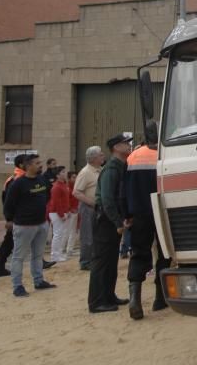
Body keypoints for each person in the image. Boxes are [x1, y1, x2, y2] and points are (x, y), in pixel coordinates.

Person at [125, 122, 170, 319]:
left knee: (139, 254)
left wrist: (127, 214)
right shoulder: (164, 153)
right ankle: (161, 299)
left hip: (140, 213)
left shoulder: (133, 156)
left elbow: (124, 190)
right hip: (162, 212)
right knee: (164, 254)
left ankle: (134, 297)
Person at [87, 133, 132, 313]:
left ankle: (109, 295)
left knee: (111, 261)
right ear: (115, 148)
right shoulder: (112, 168)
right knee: (102, 262)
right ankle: (97, 302)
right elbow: (107, 200)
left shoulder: (121, 166)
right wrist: (118, 222)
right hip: (105, 220)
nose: (128, 146)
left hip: (112, 220)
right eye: (124, 144)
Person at [3, 153, 56, 296]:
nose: (40, 165)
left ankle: (38, 281)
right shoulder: (18, 183)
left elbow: (47, 195)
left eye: (40, 162)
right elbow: (9, 204)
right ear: (28, 166)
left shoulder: (42, 180)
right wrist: (9, 219)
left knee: (38, 255)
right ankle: (17, 286)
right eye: (37, 163)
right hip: (24, 225)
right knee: (18, 257)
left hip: (41, 223)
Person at [73, 146, 104, 271]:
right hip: (88, 207)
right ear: (94, 158)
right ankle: (85, 261)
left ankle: (94, 258)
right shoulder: (85, 172)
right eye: (100, 155)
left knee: (97, 234)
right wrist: (92, 203)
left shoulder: (100, 170)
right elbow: (76, 192)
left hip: (98, 207)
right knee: (87, 235)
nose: (103, 156)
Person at [47, 168, 72, 262]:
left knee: (61, 234)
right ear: (57, 175)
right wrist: (61, 214)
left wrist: (68, 210)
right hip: (55, 212)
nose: (65, 173)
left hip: (62, 212)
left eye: (65, 171)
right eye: (63, 172)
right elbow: (56, 202)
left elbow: (66, 200)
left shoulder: (64, 185)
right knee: (57, 234)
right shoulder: (56, 187)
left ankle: (59, 253)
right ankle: (54, 255)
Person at [65, 172, 79, 259]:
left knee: (73, 231)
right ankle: (67, 249)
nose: (75, 179)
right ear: (69, 178)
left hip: (76, 210)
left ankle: (70, 249)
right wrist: (70, 209)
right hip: (71, 212)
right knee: (70, 231)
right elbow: (66, 201)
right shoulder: (68, 188)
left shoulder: (76, 187)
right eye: (73, 177)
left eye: (76, 177)